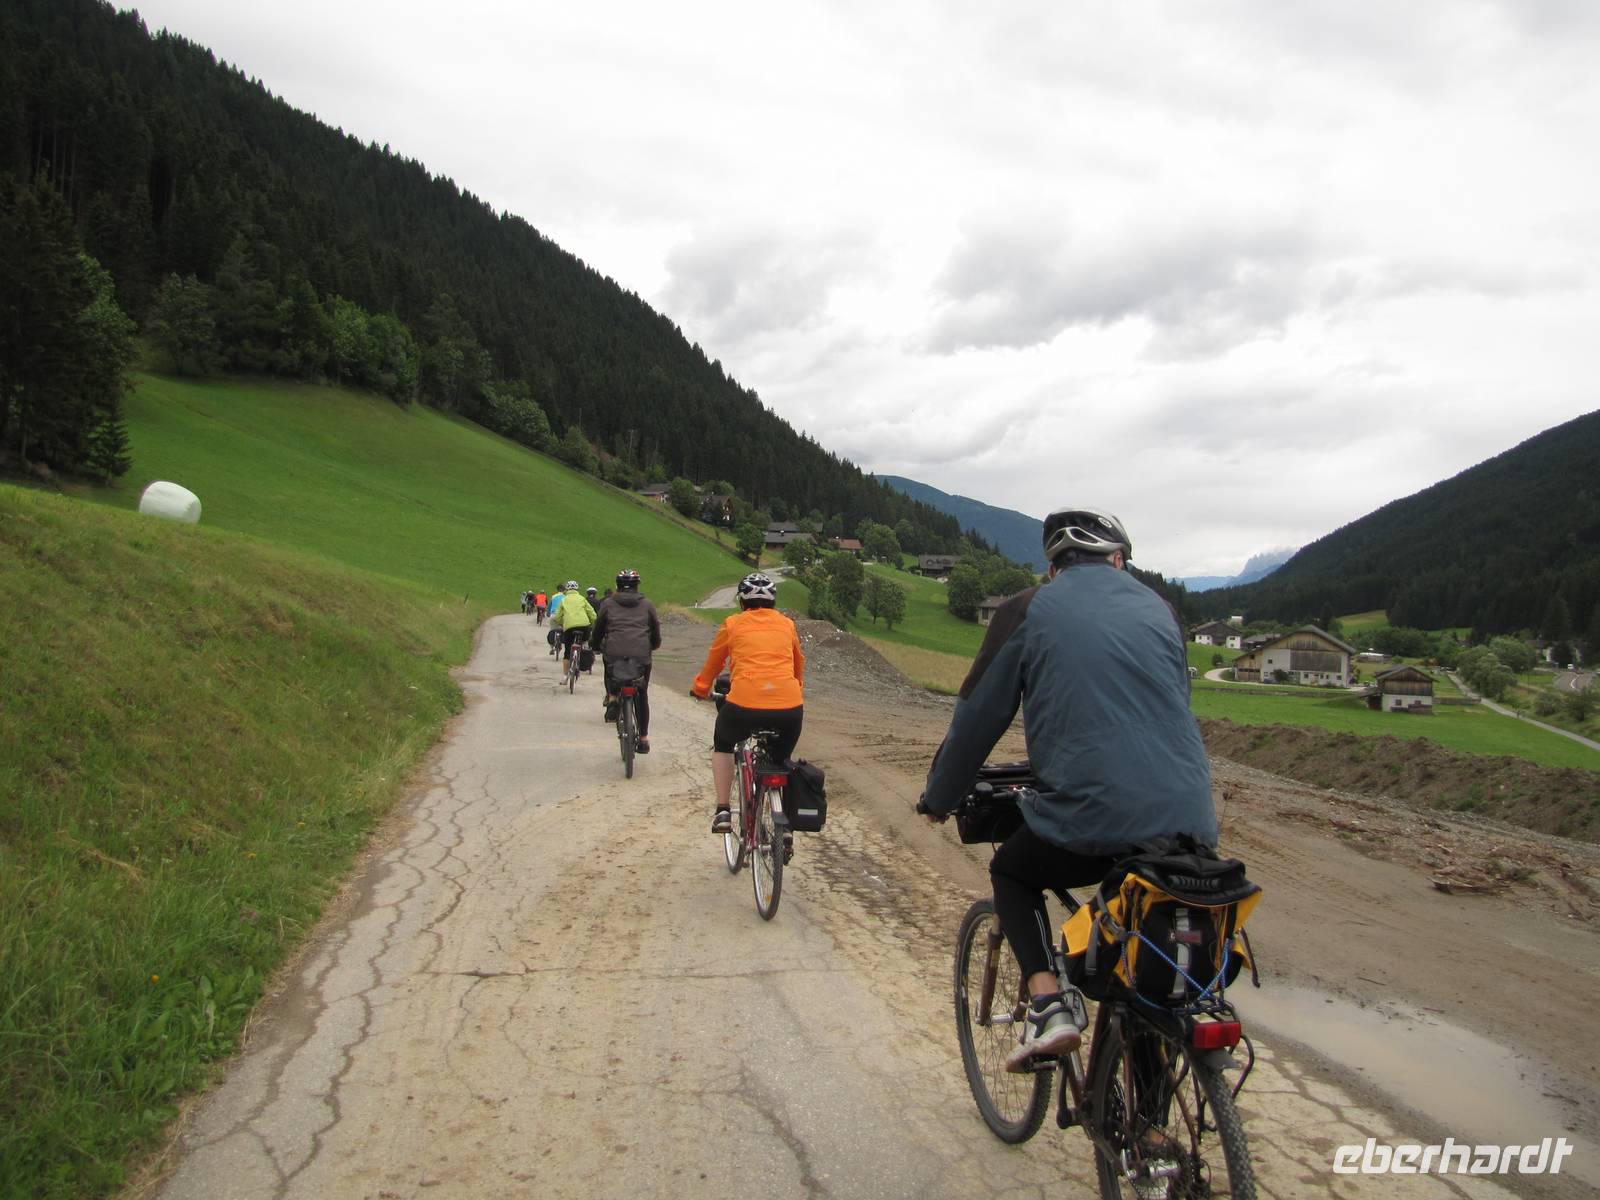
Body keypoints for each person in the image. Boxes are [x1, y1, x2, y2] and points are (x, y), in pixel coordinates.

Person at [918, 507, 1217, 1071]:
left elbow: (979, 717)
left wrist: (939, 797)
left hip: (1093, 816)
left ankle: (1049, 1004)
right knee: (1137, 952)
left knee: (1013, 870)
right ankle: (1148, 1112)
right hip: (1190, 820)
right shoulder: (1163, 610)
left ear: (1054, 568)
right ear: (1119, 561)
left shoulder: (1029, 607)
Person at [689, 572, 805, 833]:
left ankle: (723, 811)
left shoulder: (732, 624)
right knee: (781, 760)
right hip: (789, 708)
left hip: (744, 706)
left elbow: (714, 662)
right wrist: (795, 689)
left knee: (723, 742)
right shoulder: (787, 624)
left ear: (742, 602)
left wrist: (700, 689)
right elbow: (798, 664)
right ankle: (784, 829)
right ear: (773, 602)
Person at [592, 569, 662, 753]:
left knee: (609, 664)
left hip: (614, 652)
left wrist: (595, 645)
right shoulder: (647, 605)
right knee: (642, 692)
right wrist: (653, 645)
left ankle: (613, 696)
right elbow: (655, 630)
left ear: (617, 585)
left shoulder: (608, 604)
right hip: (641, 654)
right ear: (637, 586)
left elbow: (598, 629)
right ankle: (644, 739)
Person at [552, 580, 597, 668]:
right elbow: (593, 614)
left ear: (566, 590)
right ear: (577, 589)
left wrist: (562, 623)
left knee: (567, 650)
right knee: (585, 641)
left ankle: (566, 674)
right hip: (584, 626)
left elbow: (557, 616)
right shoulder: (582, 599)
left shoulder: (564, 600)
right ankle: (586, 654)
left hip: (569, 627)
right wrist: (591, 623)